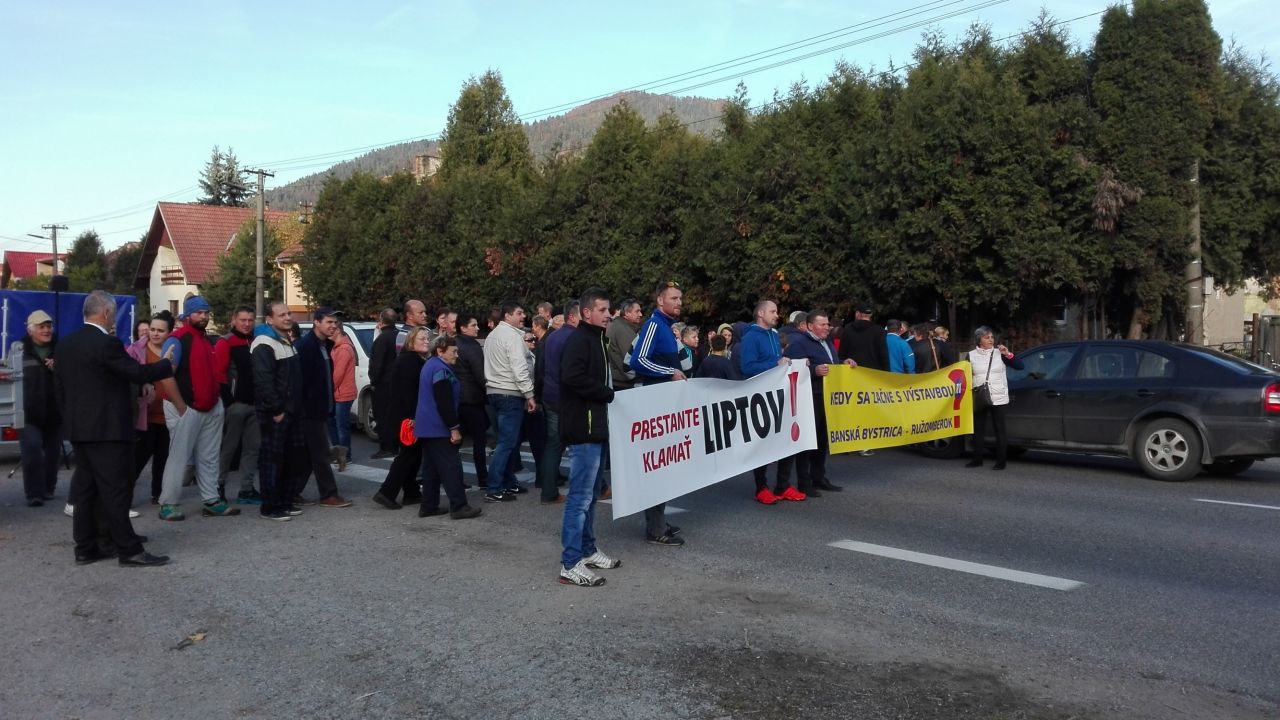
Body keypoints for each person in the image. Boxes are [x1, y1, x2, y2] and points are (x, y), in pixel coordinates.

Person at [56, 291, 174, 566]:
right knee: (115, 489)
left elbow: (60, 389)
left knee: (86, 490)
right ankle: (129, 550)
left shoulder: (65, 344)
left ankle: (86, 547)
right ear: (107, 313)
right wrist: (166, 364)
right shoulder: (107, 343)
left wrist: (70, 420)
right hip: (107, 429)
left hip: (79, 428)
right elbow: (135, 372)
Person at [557, 288, 621, 587]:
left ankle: (587, 549)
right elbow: (571, 377)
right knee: (580, 498)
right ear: (587, 313)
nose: (608, 314)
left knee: (591, 495)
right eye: (603, 310)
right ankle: (570, 563)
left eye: (609, 309)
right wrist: (605, 393)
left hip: (597, 428)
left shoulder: (597, 339)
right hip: (583, 430)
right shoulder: (579, 340)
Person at [156, 296, 239, 521]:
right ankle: (168, 504)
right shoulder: (177, 340)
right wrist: (181, 408)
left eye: (206, 312)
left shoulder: (206, 340)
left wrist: (217, 403)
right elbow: (166, 375)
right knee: (178, 458)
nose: (203, 316)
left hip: (209, 406)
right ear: (188, 315)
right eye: (198, 312)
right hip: (187, 407)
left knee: (209, 456)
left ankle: (211, 500)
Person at [628, 281, 687, 547]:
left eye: (680, 298)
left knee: (664, 465)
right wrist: (669, 372)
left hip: (666, 405)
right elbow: (637, 360)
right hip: (655, 405)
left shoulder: (666, 326)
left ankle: (659, 520)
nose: (679, 302)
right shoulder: (653, 325)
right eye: (674, 298)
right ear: (660, 301)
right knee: (657, 466)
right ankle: (655, 529)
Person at [413, 335, 482, 520]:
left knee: (431, 469)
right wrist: (454, 427)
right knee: (451, 466)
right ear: (440, 351)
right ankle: (459, 506)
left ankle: (428, 506)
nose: (457, 355)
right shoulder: (440, 370)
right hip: (438, 426)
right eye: (454, 351)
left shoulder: (430, 365)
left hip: (427, 426)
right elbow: (444, 402)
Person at [738, 300, 802, 504]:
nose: (777, 315)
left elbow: (777, 364)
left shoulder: (774, 335)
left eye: (777, 311)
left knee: (786, 439)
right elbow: (747, 367)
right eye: (773, 311)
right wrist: (775, 363)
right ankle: (761, 488)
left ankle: (783, 485)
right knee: (763, 444)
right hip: (760, 397)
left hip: (778, 395)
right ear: (761, 314)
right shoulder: (750, 337)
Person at [781, 311, 850, 496]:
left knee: (821, 440)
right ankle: (804, 482)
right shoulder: (799, 344)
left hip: (827, 396)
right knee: (807, 442)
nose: (827, 327)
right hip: (810, 398)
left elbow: (830, 363)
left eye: (828, 324)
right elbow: (791, 368)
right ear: (811, 326)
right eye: (823, 324)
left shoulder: (827, 342)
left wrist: (843, 362)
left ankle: (818, 477)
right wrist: (813, 371)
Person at [293, 307, 353, 508]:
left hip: (321, 407)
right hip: (309, 409)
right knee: (320, 454)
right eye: (328, 322)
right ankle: (329, 494)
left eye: (335, 323)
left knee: (308, 455)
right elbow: (300, 381)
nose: (333, 326)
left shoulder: (325, 345)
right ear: (316, 322)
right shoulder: (306, 346)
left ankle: (292, 491)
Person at [250, 300, 305, 521]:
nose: (288, 317)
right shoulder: (263, 343)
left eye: (288, 313)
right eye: (281, 315)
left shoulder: (284, 340)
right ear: (269, 320)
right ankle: (270, 507)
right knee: (272, 459)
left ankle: (285, 501)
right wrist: (276, 409)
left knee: (292, 458)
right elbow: (263, 380)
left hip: (292, 411)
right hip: (276, 413)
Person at [482, 301, 537, 503]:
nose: (523, 316)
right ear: (507, 316)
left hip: (494, 392)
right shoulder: (512, 336)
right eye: (519, 313)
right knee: (507, 443)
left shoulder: (492, 335)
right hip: (509, 393)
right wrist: (529, 394)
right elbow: (519, 367)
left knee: (506, 442)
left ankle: (507, 482)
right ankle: (494, 488)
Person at [372, 327, 431, 508]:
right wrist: (414, 417)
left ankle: (411, 492)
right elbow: (408, 393)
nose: (426, 341)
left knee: (413, 455)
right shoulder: (410, 361)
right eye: (422, 339)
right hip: (407, 417)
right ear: (411, 342)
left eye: (427, 339)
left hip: (404, 415)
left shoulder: (411, 359)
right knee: (408, 455)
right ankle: (386, 492)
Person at [213, 305, 262, 504]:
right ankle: (217, 486)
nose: (247, 324)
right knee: (228, 448)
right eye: (243, 320)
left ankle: (247, 489)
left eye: (250, 320)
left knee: (252, 448)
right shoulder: (226, 342)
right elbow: (219, 374)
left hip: (255, 405)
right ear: (234, 320)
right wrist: (229, 402)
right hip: (236, 405)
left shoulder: (256, 341)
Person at [129, 311, 175, 506]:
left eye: (160, 331)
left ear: (169, 332)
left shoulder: (175, 350)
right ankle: (124, 494)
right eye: (153, 329)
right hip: (144, 415)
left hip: (167, 413)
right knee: (139, 457)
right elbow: (129, 377)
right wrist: (143, 385)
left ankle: (159, 493)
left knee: (163, 456)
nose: (155, 333)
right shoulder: (135, 350)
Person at [537, 300, 579, 504]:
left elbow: (542, 367)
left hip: (550, 395)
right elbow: (574, 372)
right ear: (573, 317)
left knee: (554, 444)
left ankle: (548, 490)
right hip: (567, 398)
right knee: (582, 444)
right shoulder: (575, 337)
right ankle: (597, 486)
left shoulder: (552, 336)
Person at [966, 326, 1023, 471]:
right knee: (978, 429)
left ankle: (1001, 461)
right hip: (980, 395)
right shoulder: (971, 355)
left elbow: (1020, 366)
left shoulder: (1000, 353)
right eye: (987, 337)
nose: (991, 340)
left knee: (1000, 429)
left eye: (992, 337)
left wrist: (1008, 354)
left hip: (998, 396)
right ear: (979, 340)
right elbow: (965, 375)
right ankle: (977, 459)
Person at [19, 310, 61, 507]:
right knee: (32, 452)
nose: (46, 330)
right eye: (41, 327)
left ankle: (48, 488)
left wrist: (59, 368)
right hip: (29, 413)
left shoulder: (61, 349)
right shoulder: (20, 351)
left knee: (53, 455)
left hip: (55, 412)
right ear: (30, 330)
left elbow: (72, 376)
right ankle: (34, 493)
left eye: (49, 326)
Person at [453, 313, 488, 488]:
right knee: (479, 441)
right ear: (463, 327)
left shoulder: (454, 343)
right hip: (473, 399)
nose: (477, 328)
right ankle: (483, 478)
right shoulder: (471, 346)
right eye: (473, 325)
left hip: (457, 399)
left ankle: (456, 479)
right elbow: (480, 374)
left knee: (456, 442)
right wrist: (488, 391)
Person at [369, 308, 400, 459]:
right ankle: (396, 444)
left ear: (381, 321)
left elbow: (377, 364)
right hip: (398, 382)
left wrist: (373, 381)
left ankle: (387, 447)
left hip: (384, 384)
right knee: (395, 416)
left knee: (382, 416)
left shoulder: (382, 339)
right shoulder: (401, 336)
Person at [328, 318, 357, 470]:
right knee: (334, 423)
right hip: (338, 393)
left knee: (341, 426)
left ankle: (346, 455)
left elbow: (337, 375)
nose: (329, 333)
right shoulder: (337, 347)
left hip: (343, 393)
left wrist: (328, 389)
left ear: (338, 331)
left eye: (332, 330)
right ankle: (337, 454)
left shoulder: (344, 349)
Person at [837, 302, 889, 371]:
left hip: (852, 371)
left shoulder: (848, 329)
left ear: (857, 314)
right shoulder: (879, 331)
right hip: (873, 373)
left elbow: (841, 354)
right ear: (871, 314)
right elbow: (884, 357)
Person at [605, 297, 641, 391]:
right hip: (624, 384)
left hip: (619, 381)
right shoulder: (623, 330)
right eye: (637, 311)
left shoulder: (619, 325)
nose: (640, 314)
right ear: (627, 313)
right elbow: (632, 358)